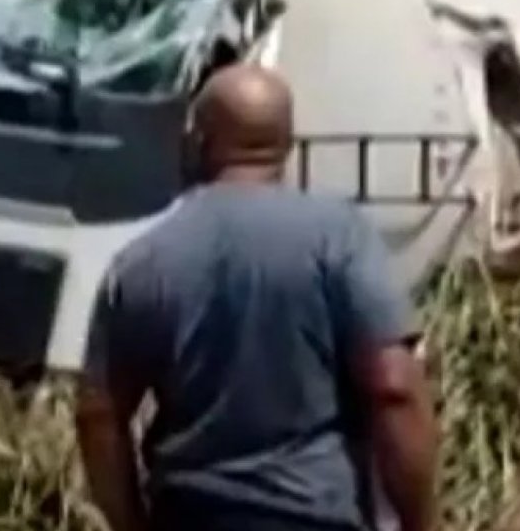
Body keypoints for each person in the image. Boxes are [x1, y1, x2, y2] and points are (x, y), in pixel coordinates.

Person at [76, 63, 439, 531]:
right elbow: (393, 387)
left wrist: (132, 525)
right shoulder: (339, 237)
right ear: (286, 145)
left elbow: (97, 413)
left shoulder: (143, 259)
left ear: (196, 140)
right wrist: (422, 522)